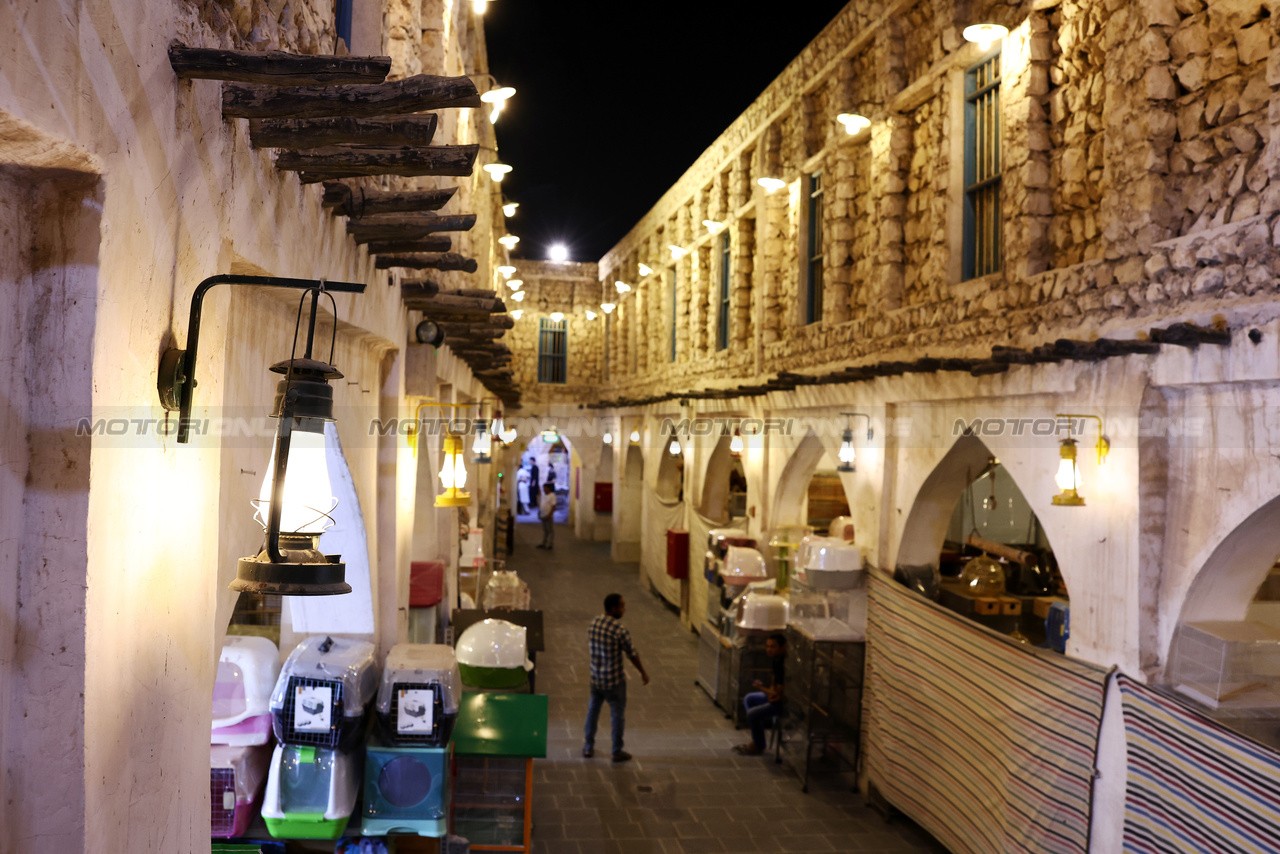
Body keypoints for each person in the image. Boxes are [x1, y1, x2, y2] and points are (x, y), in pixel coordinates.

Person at [583, 593, 649, 762]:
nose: (624, 609)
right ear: (613, 609)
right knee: (617, 715)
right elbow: (632, 654)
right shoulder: (620, 630)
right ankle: (616, 750)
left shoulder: (594, 623)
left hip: (596, 678)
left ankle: (588, 747)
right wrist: (642, 672)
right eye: (622, 606)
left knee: (592, 711)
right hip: (614, 681)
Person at [734, 633, 786, 756]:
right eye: (767, 646)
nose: (769, 650)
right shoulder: (776, 661)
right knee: (749, 699)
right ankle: (757, 736)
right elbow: (774, 687)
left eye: (773, 647)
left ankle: (758, 745)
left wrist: (761, 687)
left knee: (753, 714)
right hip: (774, 698)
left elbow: (777, 693)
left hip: (782, 704)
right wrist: (768, 690)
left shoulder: (783, 665)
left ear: (782, 647)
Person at [536, 482, 557, 549]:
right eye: (543, 488)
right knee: (545, 530)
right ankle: (544, 543)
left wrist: (549, 514)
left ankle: (550, 544)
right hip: (543, 515)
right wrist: (539, 512)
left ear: (549, 488)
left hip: (548, 516)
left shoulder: (552, 496)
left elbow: (553, 506)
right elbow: (541, 504)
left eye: (545, 488)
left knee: (550, 530)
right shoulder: (543, 495)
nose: (544, 489)